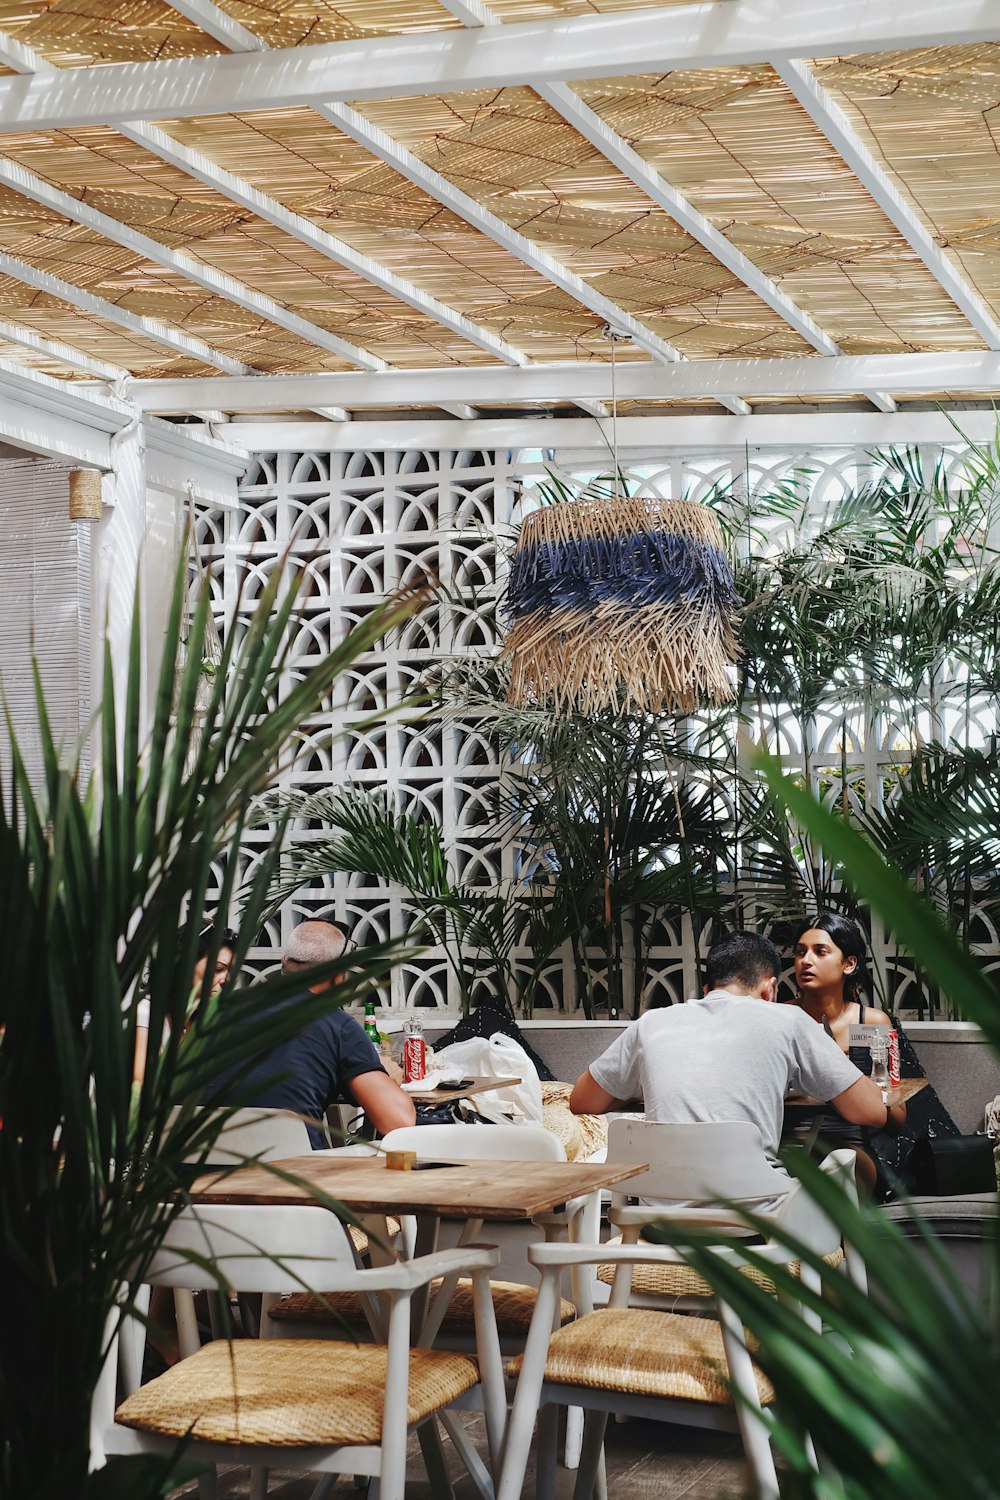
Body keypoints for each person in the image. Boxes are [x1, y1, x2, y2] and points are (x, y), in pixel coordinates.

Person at [570, 930, 898, 1207]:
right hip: (757, 1216)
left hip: (659, 1219)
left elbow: (582, 1102)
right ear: (770, 989)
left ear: (707, 989)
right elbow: (870, 1112)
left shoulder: (652, 1023)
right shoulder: (788, 1020)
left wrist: (643, 1086)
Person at [208, 918, 415, 1143]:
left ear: (283, 961)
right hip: (291, 1170)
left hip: (200, 1171)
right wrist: (386, 1074)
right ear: (339, 977)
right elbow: (399, 1122)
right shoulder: (338, 1026)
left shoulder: (216, 1011)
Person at [789, 911, 905, 1191]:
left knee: (842, 1160)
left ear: (849, 964)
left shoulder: (872, 1021)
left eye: (820, 952)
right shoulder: (782, 1016)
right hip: (788, 1144)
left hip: (853, 1150)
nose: (806, 960)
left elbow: (897, 1120)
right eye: (800, 952)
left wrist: (860, 1086)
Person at [133, 924, 238, 1086]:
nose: (226, 979)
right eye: (218, 969)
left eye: (230, 971)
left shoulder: (212, 1019)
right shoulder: (147, 1012)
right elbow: (141, 1085)